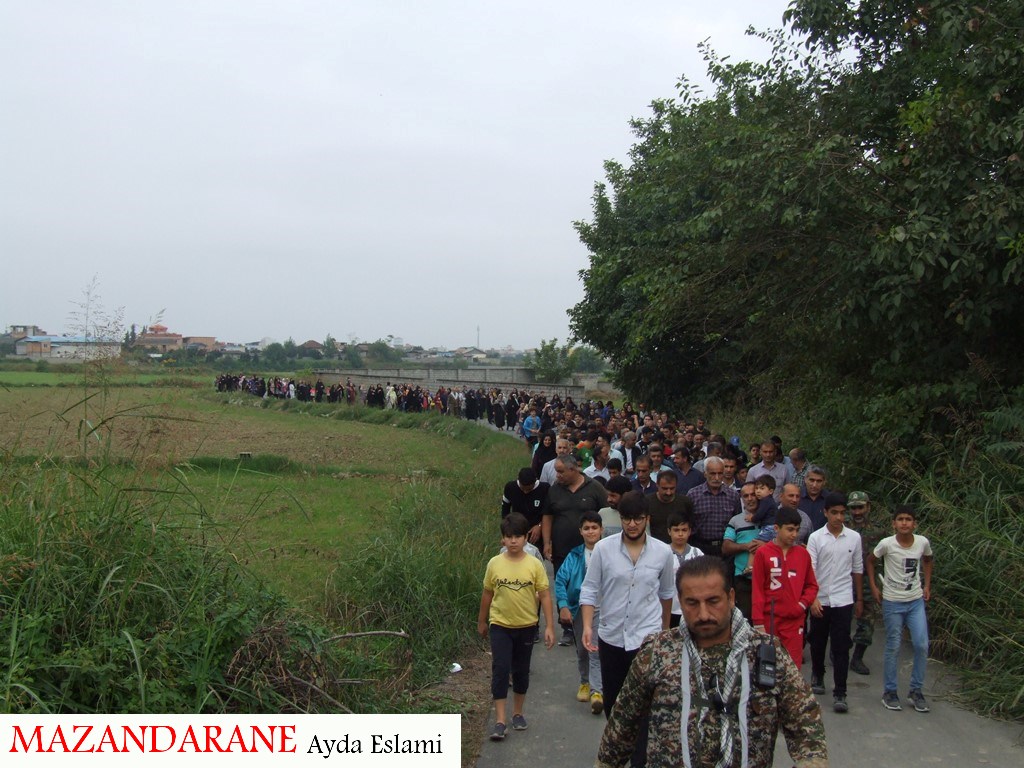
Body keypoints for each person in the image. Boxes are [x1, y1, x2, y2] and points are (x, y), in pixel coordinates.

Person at [595, 556, 828, 768]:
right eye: (692, 603)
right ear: (680, 601)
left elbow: (804, 718)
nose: (704, 614)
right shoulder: (658, 652)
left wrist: (811, 762)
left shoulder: (766, 652)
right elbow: (622, 724)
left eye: (713, 601)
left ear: (731, 597)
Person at [580, 492, 675, 767]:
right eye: (626, 519)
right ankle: (619, 748)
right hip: (611, 636)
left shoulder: (662, 552)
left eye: (638, 519)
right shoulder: (604, 549)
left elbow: (666, 593)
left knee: (644, 704)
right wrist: (587, 626)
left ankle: (639, 758)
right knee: (614, 702)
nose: (632, 524)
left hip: (646, 639)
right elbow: (590, 589)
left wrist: (664, 632)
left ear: (647, 519)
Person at [477, 513, 556, 741]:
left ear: (525, 538)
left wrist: (549, 626)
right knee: (501, 669)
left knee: (521, 671)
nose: (513, 541)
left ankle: (518, 713)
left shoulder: (534, 565)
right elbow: (487, 593)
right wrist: (482, 621)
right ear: (503, 539)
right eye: (509, 537)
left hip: (526, 625)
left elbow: (545, 595)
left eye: (518, 536)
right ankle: (500, 720)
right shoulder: (494, 563)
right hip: (500, 625)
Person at [867, 505, 933, 713]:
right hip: (893, 601)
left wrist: (927, 585)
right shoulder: (887, 544)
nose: (904, 523)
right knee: (893, 646)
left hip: (915, 601)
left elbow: (928, 560)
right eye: (900, 519)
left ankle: (916, 690)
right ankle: (890, 691)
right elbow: (870, 561)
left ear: (915, 524)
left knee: (921, 644)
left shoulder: (922, 542)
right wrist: (874, 587)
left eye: (908, 519)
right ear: (893, 524)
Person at [807, 492, 864, 713]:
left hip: (843, 599)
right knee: (818, 641)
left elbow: (857, 569)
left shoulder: (854, 538)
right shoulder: (816, 538)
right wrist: (812, 598)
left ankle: (840, 691)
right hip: (820, 599)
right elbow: (810, 570)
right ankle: (818, 674)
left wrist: (859, 599)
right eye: (834, 513)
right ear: (825, 513)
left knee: (841, 646)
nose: (839, 517)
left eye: (842, 513)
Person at [751, 506, 818, 669]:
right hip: (770, 621)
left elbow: (812, 586)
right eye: (790, 529)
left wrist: (801, 605)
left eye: (797, 530)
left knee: (792, 668)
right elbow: (757, 590)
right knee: (768, 669)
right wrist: (758, 622)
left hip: (794, 622)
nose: (794, 534)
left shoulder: (803, 554)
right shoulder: (763, 553)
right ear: (776, 528)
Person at [554, 511, 605, 715]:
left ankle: (597, 691)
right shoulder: (574, 555)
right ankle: (585, 682)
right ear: (580, 531)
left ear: (601, 530)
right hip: (579, 608)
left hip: (604, 609)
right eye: (587, 528)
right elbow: (560, 580)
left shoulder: (609, 552)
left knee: (595, 649)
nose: (591, 532)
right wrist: (563, 605)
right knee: (583, 649)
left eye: (594, 528)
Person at [847, 490, 883, 675]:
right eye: (853, 508)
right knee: (841, 621)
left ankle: (857, 658)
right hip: (845, 581)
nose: (857, 512)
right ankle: (840, 650)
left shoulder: (878, 531)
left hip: (869, 582)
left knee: (867, 623)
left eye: (860, 507)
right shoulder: (842, 527)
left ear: (868, 507)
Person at [721, 481, 763, 620]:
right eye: (746, 496)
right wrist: (746, 546)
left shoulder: (769, 519)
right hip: (743, 579)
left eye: (753, 495)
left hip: (767, 577)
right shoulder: (735, 520)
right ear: (742, 498)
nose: (750, 499)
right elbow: (726, 547)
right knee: (746, 618)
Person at [686, 456, 740, 558]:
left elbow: (737, 523)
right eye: (712, 473)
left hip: (724, 548)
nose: (717, 478)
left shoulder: (733, 496)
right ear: (705, 474)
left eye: (720, 473)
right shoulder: (693, 495)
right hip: (700, 546)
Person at [666, 509, 704, 628]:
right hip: (670, 609)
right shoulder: (663, 553)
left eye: (684, 530)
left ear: (690, 531)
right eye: (676, 530)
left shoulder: (697, 553)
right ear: (669, 531)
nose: (680, 534)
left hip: (692, 608)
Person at [500, 467, 549, 546]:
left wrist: (540, 525)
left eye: (529, 489)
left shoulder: (545, 488)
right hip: (516, 530)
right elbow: (505, 510)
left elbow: (548, 513)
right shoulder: (510, 487)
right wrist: (506, 532)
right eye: (523, 489)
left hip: (537, 532)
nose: (525, 492)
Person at [645, 471, 693, 544]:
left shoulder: (685, 502)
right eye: (664, 488)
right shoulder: (647, 502)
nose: (668, 492)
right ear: (657, 485)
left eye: (672, 488)